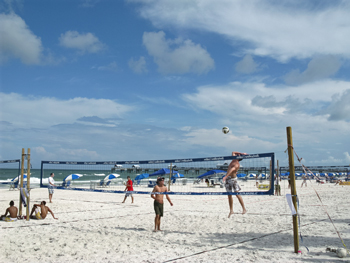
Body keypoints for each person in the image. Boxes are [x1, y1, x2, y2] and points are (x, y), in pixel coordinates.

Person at [222, 151, 247, 218]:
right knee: (229, 195)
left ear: (239, 158)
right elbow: (233, 151)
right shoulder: (233, 159)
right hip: (228, 180)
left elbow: (232, 170)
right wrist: (242, 153)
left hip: (233, 180)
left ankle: (244, 209)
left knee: (237, 194)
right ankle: (231, 210)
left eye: (238, 155)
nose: (236, 154)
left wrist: (225, 176)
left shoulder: (237, 164)